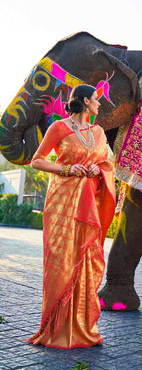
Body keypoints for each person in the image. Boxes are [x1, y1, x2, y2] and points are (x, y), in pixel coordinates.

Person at [28, 84, 116, 349]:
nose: (100, 104)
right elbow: (36, 161)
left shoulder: (98, 131)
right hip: (62, 203)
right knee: (63, 260)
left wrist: (96, 171)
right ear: (86, 100)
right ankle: (55, 328)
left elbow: (106, 165)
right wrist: (67, 168)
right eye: (97, 100)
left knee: (86, 259)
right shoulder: (59, 128)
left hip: (88, 203)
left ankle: (83, 326)